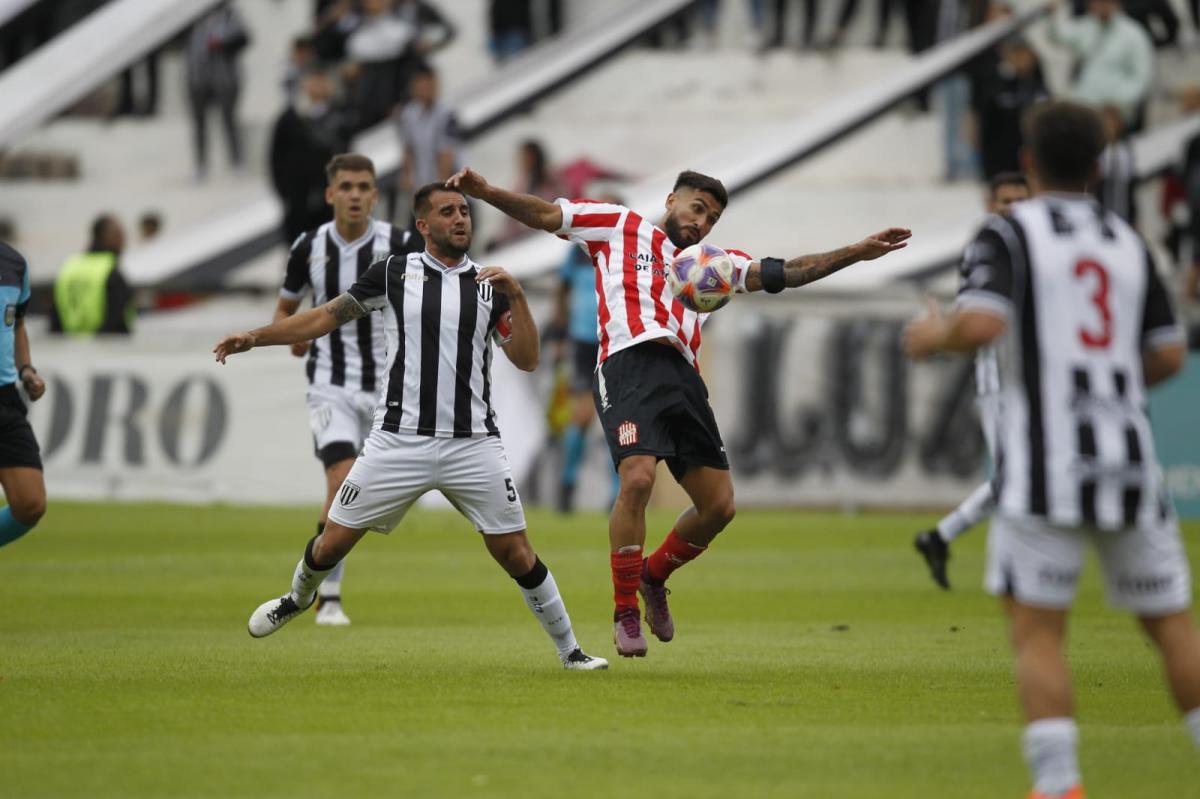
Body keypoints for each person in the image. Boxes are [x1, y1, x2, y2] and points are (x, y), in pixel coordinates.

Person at [447, 165, 910, 657]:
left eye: (710, 217)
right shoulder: (619, 226)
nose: (701, 222)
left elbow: (789, 272)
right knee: (639, 479)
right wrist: (486, 192)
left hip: (682, 376)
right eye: (696, 208)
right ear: (671, 200)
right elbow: (545, 213)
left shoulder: (715, 264)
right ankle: (625, 609)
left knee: (720, 507)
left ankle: (652, 576)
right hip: (627, 363)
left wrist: (857, 252)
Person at [904, 100, 1200, 799]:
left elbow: (981, 321)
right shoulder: (1127, 238)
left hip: (1045, 466)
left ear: (1029, 162)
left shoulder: (1007, 231)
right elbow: (1167, 353)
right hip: (1129, 459)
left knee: (1038, 634)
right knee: (1172, 626)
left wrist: (935, 335)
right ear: (1100, 167)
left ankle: (1060, 785)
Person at [213, 182, 607, 671]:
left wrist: (519, 296)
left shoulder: (491, 284)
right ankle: (296, 598)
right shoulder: (394, 274)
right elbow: (322, 318)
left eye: (465, 210)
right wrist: (257, 336)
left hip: (474, 445)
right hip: (399, 440)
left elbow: (527, 359)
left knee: (516, 552)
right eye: (448, 212)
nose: (461, 218)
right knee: (332, 541)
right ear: (423, 226)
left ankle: (571, 651)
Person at [275, 153, 413, 626]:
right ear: (331, 193)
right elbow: (285, 313)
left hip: (389, 385)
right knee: (341, 478)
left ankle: (317, 582)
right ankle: (327, 597)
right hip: (329, 382)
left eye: (364, 186)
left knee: (367, 490)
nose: (355, 194)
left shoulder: (401, 243)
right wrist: (296, 337)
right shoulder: (308, 246)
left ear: (375, 195)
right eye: (346, 186)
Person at [913, 171, 1031, 590]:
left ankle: (940, 537)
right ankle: (1009, 572)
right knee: (1016, 476)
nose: (1013, 208)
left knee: (1019, 474)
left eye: (1021, 199)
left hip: (1029, 379)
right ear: (989, 203)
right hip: (997, 376)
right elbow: (974, 315)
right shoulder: (989, 247)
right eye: (1006, 201)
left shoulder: (1026, 245)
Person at [270, 68, 355, 244]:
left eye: (323, 81)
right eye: (315, 82)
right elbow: (276, 159)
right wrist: (286, 193)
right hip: (298, 202)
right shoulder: (290, 119)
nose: (320, 87)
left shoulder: (340, 115)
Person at [0, 241, 47, 550]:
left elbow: (17, 324)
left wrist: (26, 368)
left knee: (30, 503)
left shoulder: (14, 263)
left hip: (5, 398)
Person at [1047, 0, 1154, 131]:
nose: (1100, 5)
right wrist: (1053, 15)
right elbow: (1057, 37)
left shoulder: (1133, 33)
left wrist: (1118, 104)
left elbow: (1142, 77)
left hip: (1113, 113)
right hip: (1082, 109)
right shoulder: (1086, 26)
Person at [185, 1, 249, 180]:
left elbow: (244, 37)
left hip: (224, 76)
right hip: (198, 76)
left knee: (229, 119)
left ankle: (236, 162)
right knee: (199, 123)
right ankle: (200, 165)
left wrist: (221, 44)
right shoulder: (192, 16)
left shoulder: (230, 13)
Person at [394, 63, 462, 221]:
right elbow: (408, 148)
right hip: (424, 192)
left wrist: (441, 195)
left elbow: (446, 156)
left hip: (451, 193)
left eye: (430, 82)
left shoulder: (447, 112)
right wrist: (406, 176)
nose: (427, 87)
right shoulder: (409, 114)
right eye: (422, 83)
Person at [49, 215, 134, 336]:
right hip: (104, 350)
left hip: (68, 348)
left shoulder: (69, 267)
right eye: (119, 235)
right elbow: (117, 321)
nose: (123, 241)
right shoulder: (109, 270)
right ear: (105, 237)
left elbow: (54, 318)